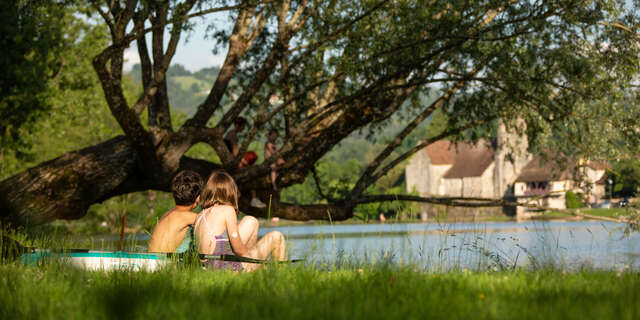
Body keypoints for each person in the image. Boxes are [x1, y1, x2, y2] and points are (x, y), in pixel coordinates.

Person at [194, 171, 287, 271]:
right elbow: (239, 250)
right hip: (227, 269)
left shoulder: (200, 215)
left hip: (209, 269)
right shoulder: (227, 210)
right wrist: (258, 258)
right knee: (277, 237)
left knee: (251, 220)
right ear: (230, 192)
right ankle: (280, 276)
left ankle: (253, 272)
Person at [148, 170, 203, 253]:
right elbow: (209, 224)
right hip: (159, 262)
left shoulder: (168, 213)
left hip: (149, 259)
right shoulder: (189, 217)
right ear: (198, 198)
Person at [224, 117, 266, 208]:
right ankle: (254, 198)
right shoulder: (233, 135)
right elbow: (235, 154)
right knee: (252, 173)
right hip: (233, 163)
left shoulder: (229, 133)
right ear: (240, 126)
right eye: (243, 126)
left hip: (229, 162)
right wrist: (244, 163)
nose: (243, 128)